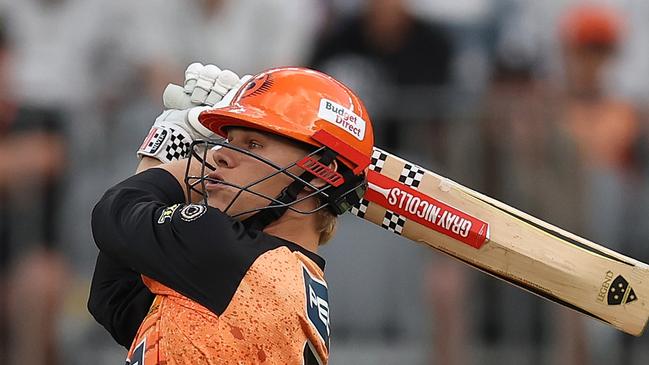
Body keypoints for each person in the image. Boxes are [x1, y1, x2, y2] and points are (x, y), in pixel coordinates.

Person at [88, 63, 374, 364]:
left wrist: (173, 138)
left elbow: (115, 212)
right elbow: (114, 296)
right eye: (228, 141)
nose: (221, 153)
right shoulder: (284, 279)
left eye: (253, 144)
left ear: (318, 175)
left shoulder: (230, 256)